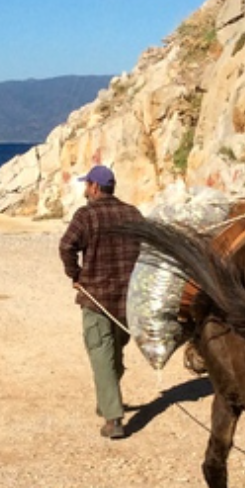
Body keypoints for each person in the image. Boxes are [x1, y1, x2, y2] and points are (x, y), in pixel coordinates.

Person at [58, 164, 143, 439]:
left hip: (96, 297)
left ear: (95, 186)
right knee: (114, 352)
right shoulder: (133, 213)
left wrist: (75, 274)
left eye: (87, 185)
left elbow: (66, 246)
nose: (85, 189)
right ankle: (108, 400)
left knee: (101, 354)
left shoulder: (87, 215)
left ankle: (114, 419)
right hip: (128, 299)